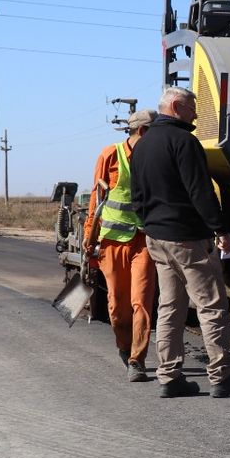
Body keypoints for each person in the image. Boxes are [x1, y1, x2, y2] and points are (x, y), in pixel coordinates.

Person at [129, 86, 230, 399]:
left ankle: (170, 377)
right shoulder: (185, 142)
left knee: (169, 307)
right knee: (212, 306)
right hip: (187, 238)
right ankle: (222, 376)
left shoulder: (142, 145)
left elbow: (137, 197)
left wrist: (152, 225)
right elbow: (200, 191)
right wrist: (220, 230)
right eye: (191, 108)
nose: (196, 115)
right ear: (175, 106)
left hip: (157, 238)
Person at [83, 110, 160, 382]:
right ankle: (124, 347)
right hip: (113, 242)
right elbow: (97, 197)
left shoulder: (156, 159)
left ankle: (137, 360)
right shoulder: (110, 155)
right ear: (143, 131)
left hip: (144, 241)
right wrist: (89, 236)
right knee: (117, 306)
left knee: (142, 302)